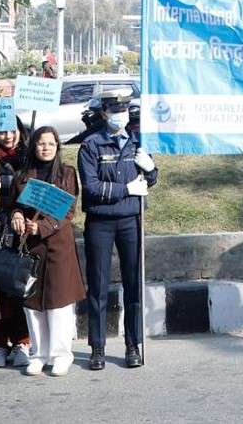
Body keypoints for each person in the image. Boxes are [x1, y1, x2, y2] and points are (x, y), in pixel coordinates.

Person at [79, 89, 159, 370]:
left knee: (133, 284)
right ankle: (98, 347)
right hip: (100, 222)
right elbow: (90, 188)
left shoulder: (138, 140)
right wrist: (125, 189)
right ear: (104, 114)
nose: (119, 116)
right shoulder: (91, 145)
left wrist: (150, 170)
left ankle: (132, 344)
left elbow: (151, 177)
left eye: (123, 110)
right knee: (98, 287)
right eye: (114, 111)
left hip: (131, 220)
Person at [7, 126, 86, 376]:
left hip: (57, 247)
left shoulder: (67, 174)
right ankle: (39, 353)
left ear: (57, 147)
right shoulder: (22, 176)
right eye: (41, 143)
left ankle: (62, 355)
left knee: (59, 304)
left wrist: (39, 226)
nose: (46, 148)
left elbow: (68, 212)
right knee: (33, 304)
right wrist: (17, 215)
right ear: (33, 146)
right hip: (30, 249)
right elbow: (14, 205)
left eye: (51, 144)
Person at [0, 126, 33, 368]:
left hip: (23, 230)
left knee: (20, 287)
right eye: (1, 132)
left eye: (12, 130)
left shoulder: (30, 156)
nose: (8, 136)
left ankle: (23, 343)